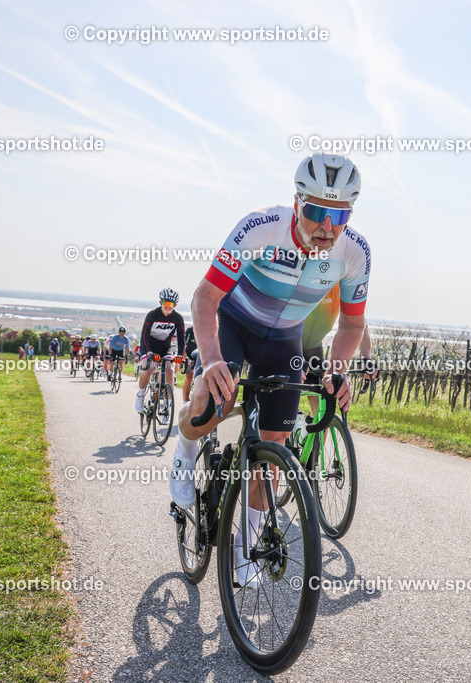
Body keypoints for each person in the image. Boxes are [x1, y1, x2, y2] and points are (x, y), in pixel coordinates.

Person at [171, 153, 370, 587]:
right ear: (296, 203)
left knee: (276, 443)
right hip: (235, 324)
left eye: (339, 215)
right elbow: (205, 297)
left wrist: (337, 370)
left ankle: (249, 546)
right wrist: (211, 362)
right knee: (211, 403)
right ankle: (185, 449)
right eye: (316, 211)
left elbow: (352, 322)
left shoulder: (354, 253)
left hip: (285, 342)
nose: (326, 227)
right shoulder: (261, 227)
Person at [300, 285, 375, 419]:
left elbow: (359, 323)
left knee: (323, 415)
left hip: (313, 353)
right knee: (280, 415)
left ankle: (316, 438)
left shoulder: (341, 285)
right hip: (286, 348)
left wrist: (366, 360)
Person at [134, 289, 186, 413]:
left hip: (165, 347)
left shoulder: (178, 318)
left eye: (172, 304)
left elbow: (181, 339)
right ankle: (140, 395)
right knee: (149, 368)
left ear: (175, 305)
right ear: (160, 302)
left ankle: (168, 406)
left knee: (170, 370)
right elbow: (144, 336)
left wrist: (179, 355)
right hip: (149, 346)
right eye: (166, 303)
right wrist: (148, 352)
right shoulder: (152, 314)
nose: (168, 307)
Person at [181, 326, 198, 402]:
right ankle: (185, 401)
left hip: (200, 355)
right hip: (189, 355)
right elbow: (185, 346)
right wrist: (185, 359)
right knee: (189, 377)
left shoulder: (207, 329)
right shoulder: (190, 330)